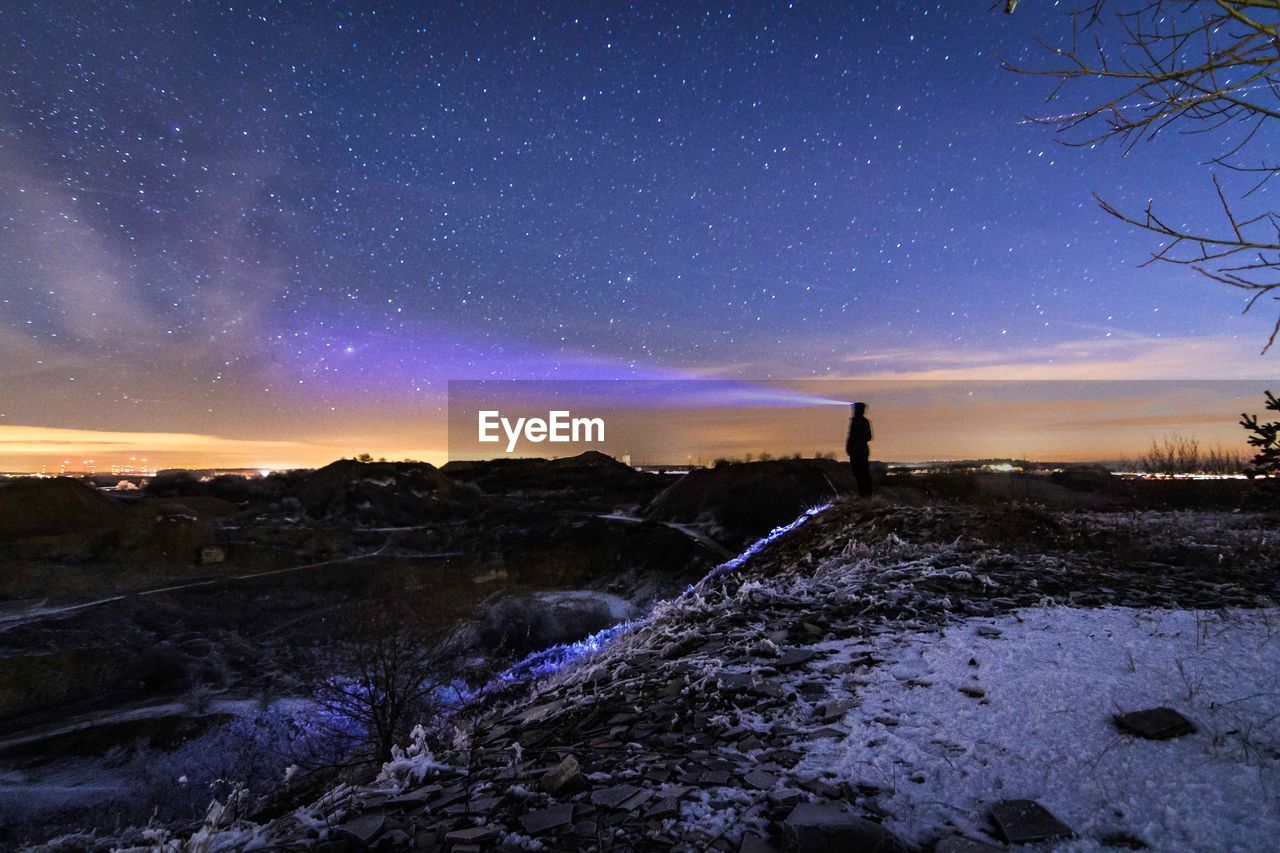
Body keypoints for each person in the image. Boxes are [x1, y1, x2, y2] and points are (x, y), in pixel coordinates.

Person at [846, 401, 873, 497]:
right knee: (862, 473)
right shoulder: (863, 422)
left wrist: (850, 446)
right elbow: (869, 437)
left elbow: (868, 437)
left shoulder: (858, 422)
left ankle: (865, 494)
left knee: (860, 473)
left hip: (857, 451)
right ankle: (866, 494)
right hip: (860, 451)